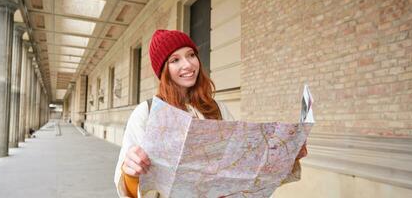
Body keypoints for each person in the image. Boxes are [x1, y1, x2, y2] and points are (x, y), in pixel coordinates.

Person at [113, 29, 306, 198]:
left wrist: (287, 154)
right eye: (175, 60)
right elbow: (127, 190)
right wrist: (130, 172)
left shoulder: (218, 109)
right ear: (163, 70)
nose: (188, 65)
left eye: (191, 55)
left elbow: (244, 167)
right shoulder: (146, 113)